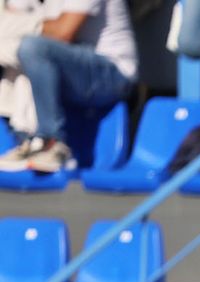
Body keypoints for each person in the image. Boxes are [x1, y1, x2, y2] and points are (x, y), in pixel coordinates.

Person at [0, 0, 135, 174]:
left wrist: (13, 26)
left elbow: (63, 32)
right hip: (75, 70)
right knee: (19, 50)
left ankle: (51, 143)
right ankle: (28, 139)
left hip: (113, 75)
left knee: (30, 48)